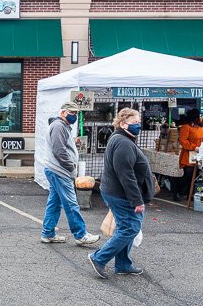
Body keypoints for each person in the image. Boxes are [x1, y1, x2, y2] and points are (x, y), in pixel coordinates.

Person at [88, 107, 154, 279]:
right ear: (123, 124)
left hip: (117, 193)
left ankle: (123, 264)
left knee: (128, 227)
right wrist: (137, 200)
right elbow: (126, 175)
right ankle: (99, 258)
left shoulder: (122, 138)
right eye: (134, 123)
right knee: (129, 228)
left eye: (139, 122)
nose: (138, 125)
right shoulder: (123, 143)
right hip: (121, 195)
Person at [40, 101, 101, 247]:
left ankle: (48, 233)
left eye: (76, 113)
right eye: (71, 113)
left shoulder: (61, 126)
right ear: (62, 113)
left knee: (55, 203)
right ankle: (80, 234)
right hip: (59, 171)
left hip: (56, 170)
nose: (74, 115)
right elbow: (59, 151)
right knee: (71, 203)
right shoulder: (59, 126)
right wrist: (71, 168)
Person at [174, 108, 203, 201]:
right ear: (194, 117)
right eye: (199, 116)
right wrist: (194, 147)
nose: (201, 118)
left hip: (200, 154)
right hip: (189, 155)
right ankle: (181, 192)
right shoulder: (186, 127)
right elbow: (183, 141)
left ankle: (192, 193)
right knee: (188, 175)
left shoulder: (201, 128)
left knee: (196, 175)